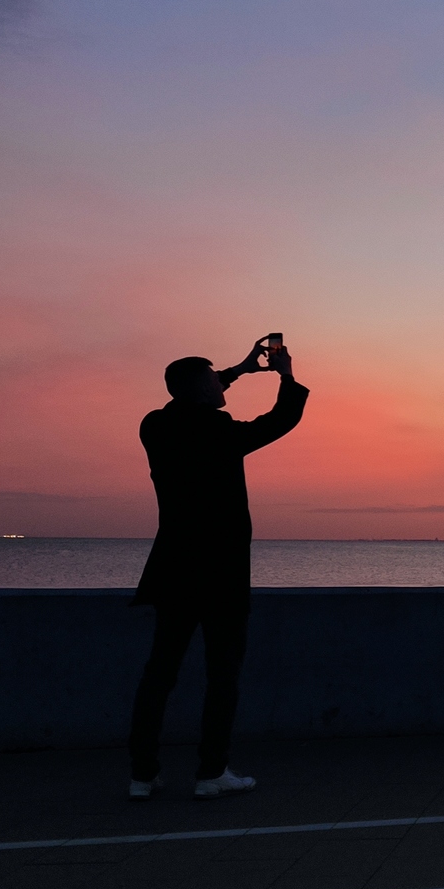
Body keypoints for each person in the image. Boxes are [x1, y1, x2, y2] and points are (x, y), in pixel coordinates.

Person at [126, 337, 309, 800]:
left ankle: (142, 776)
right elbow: (281, 420)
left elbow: (187, 398)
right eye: (214, 380)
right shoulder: (219, 431)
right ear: (200, 391)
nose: (220, 384)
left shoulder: (156, 426)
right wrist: (285, 374)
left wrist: (241, 370)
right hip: (220, 575)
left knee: (159, 674)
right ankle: (212, 773)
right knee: (222, 676)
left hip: (173, 570)